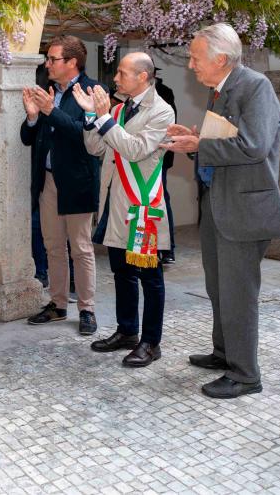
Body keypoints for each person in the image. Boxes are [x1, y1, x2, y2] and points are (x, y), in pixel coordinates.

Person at [161, 23, 280, 399]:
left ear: (220, 59)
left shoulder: (255, 87)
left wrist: (198, 144)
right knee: (218, 287)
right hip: (219, 201)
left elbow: (253, 146)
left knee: (238, 293)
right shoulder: (219, 90)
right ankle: (224, 353)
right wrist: (194, 140)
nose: (190, 65)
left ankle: (245, 374)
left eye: (195, 58)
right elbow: (222, 141)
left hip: (244, 208)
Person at [75, 52, 174, 367]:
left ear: (142, 76)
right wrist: (91, 116)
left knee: (150, 277)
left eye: (121, 73)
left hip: (142, 208)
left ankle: (151, 343)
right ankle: (128, 331)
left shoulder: (162, 111)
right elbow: (95, 147)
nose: (115, 78)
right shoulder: (117, 109)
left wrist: (104, 118)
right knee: (122, 272)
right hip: (116, 205)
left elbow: (135, 150)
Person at [21, 35, 103, 336]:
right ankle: (57, 304)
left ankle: (87, 309)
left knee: (80, 249)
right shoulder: (49, 92)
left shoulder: (93, 92)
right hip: (48, 181)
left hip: (78, 181)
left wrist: (50, 111)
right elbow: (28, 138)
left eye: (52, 59)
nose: (47, 64)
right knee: (53, 247)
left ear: (72, 62)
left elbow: (86, 137)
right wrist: (32, 118)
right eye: (47, 59)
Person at [154, 68, 178, 264]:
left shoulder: (164, 93)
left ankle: (167, 248)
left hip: (159, 157)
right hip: (138, 159)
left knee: (161, 199)